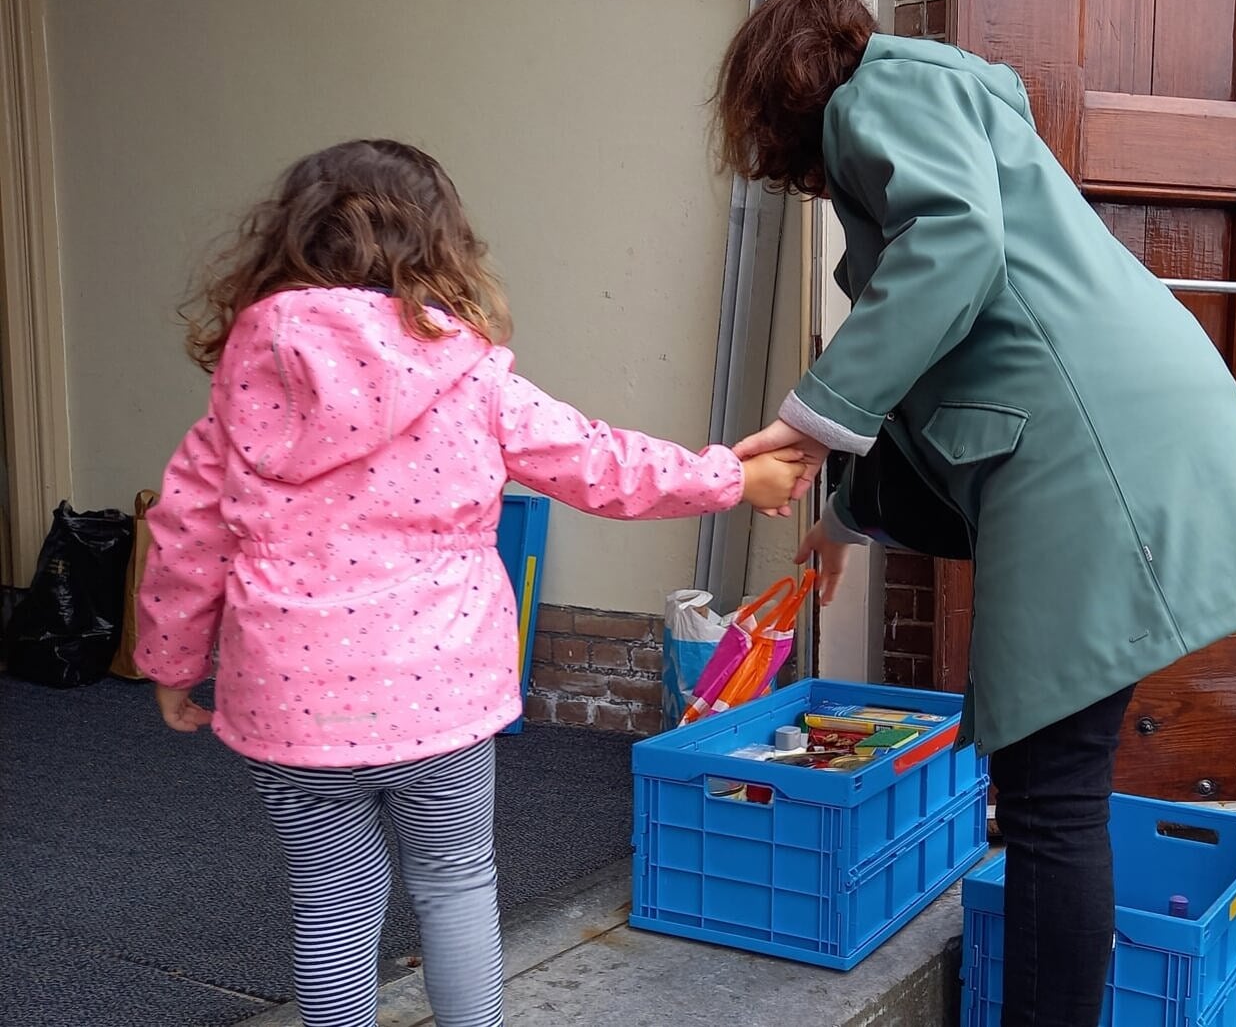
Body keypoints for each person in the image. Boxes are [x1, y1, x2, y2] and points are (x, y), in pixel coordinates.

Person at [714, 0, 1236, 1026]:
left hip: (1083, 451)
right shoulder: (948, 109)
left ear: (785, 96)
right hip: (1112, 431)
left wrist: (811, 420)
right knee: (1058, 785)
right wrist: (843, 517)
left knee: (1046, 798)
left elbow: (952, 248)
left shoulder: (878, 94)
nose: (810, 184)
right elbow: (944, 360)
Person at [135, 139, 806, 1027]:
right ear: (438, 250)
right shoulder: (472, 377)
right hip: (438, 697)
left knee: (330, 900)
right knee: (455, 883)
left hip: (290, 703)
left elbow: (187, 535)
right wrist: (733, 477)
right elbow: (601, 464)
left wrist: (172, 666)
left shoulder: (242, 393)